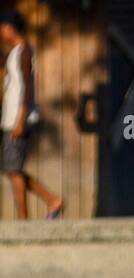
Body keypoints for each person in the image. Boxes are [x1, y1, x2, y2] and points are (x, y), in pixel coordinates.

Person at [0, 9, 62, 219]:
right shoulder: (15, 52)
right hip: (12, 118)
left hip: (19, 118)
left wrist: (20, 120)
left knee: (14, 169)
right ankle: (53, 200)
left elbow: (27, 88)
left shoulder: (24, 51)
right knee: (11, 169)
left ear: (9, 28)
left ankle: (24, 218)